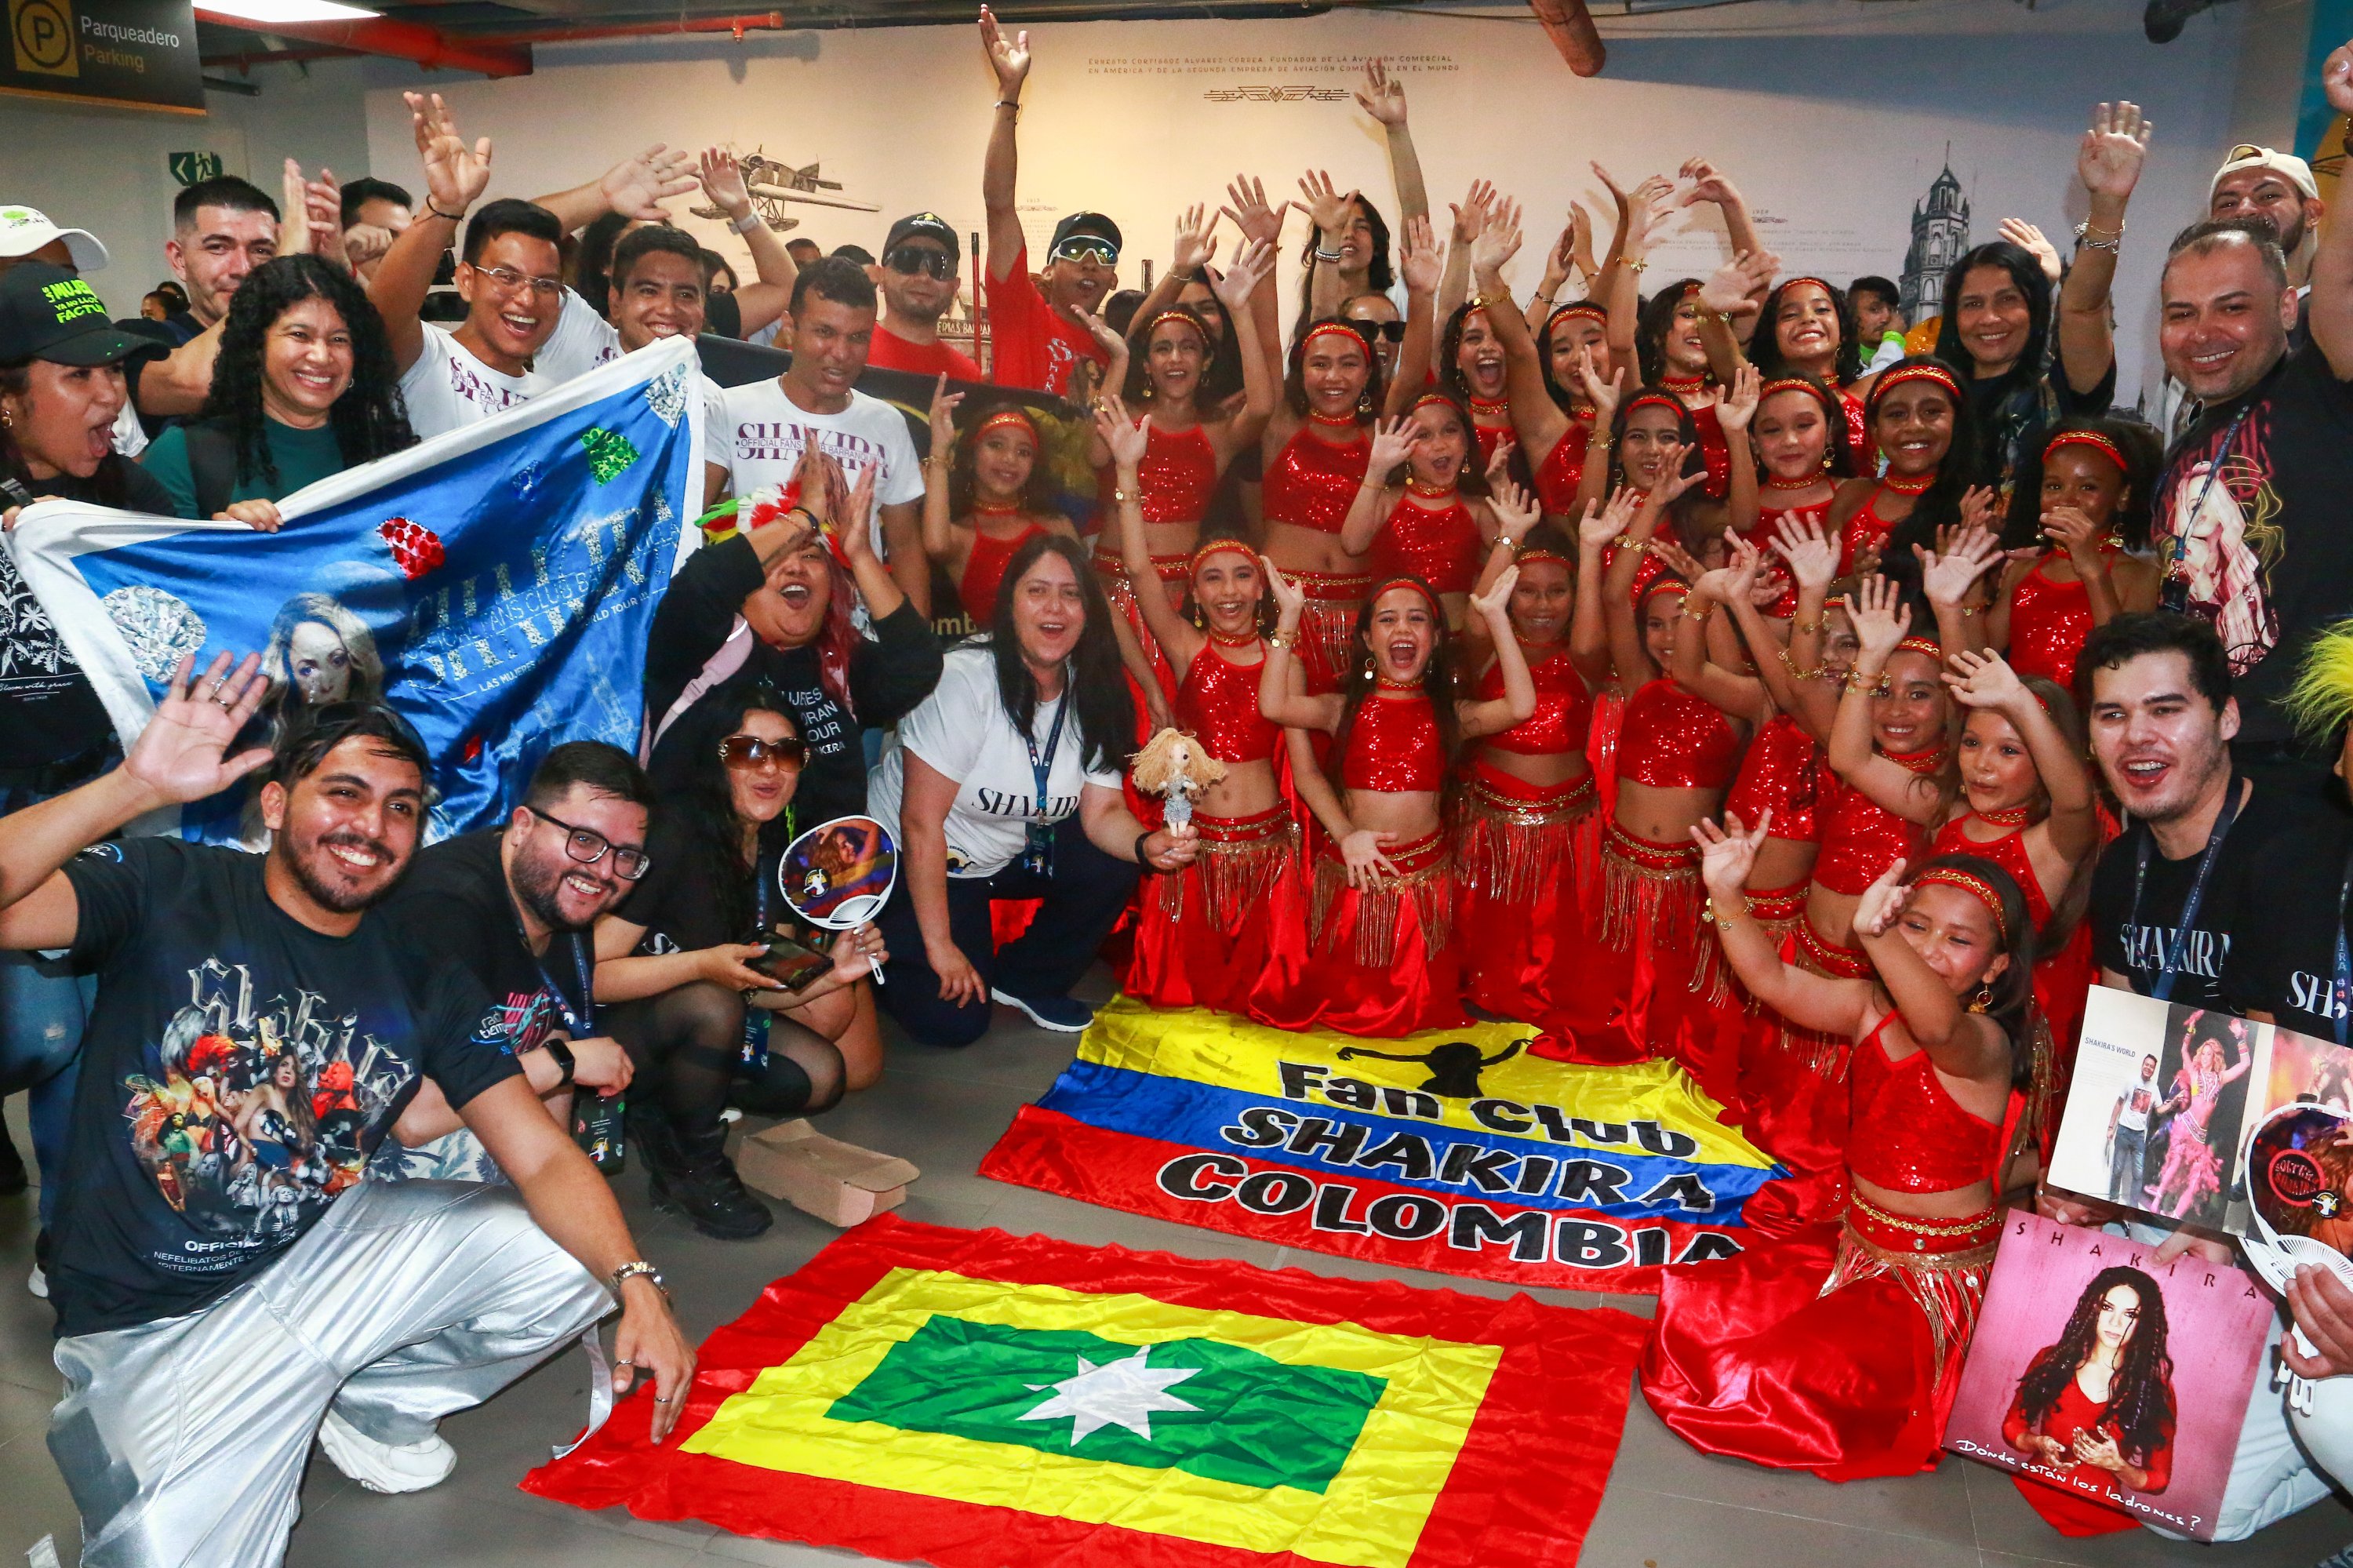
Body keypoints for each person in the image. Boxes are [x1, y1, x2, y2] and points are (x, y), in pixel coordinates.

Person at [0, 674, 691, 1560]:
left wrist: (638, 1279)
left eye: (402, 807)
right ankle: (213, 1450)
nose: (372, 826)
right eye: (346, 793)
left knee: (574, 1260)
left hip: (322, 1257)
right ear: (278, 802)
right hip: (153, 1322)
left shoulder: (415, 968)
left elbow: (544, 1156)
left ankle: (374, 1402)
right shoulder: (175, 886)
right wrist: (133, 787)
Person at [1644, 839, 2032, 1479]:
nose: (1930, 949)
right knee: (1698, 1313)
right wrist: (1726, 892)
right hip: (1854, 1247)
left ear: (1994, 969)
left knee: (1761, 1382)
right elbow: (1772, 980)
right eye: (1916, 925)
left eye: (1958, 940)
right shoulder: (1866, 1006)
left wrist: (1880, 938)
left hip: (1926, 1288)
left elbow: (1937, 1028)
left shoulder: (1983, 1042)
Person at [0, 260, 181, 1295]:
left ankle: (73, 1236)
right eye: (76, 375)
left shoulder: (120, 481)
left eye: (113, 369)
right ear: (8, 393)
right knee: (36, 1034)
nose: (108, 394)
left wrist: (236, 537)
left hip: (92, 791)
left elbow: (195, 575)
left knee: (85, 1016)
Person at [869, 534, 1197, 1041]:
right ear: (1010, 603)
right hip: (913, 860)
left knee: (1111, 862)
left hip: (1003, 851)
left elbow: (1102, 811)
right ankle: (868, 949)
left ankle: (1027, 978)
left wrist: (1145, 845)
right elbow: (919, 823)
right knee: (949, 1024)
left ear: (1089, 611)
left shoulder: (1092, 688)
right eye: (1037, 590)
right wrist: (940, 945)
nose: (1055, 607)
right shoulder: (962, 678)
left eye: (1071, 594)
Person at [593, 691, 885, 1237]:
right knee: (710, 1001)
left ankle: (665, 1114)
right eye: (748, 750)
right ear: (715, 758)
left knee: (820, 1075)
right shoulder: (672, 834)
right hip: (604, 1034)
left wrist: (831, 971)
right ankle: (692, 1162)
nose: (770, 767)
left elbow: (754, 980)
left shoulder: (768, 841)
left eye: (786, 752)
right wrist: (701, 965)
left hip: (697, 1016)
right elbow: (588, 974)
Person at [2151, 76, 2353, 796]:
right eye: (2182, 313)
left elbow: (2349, 283)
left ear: (2289, 310)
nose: (2203, 333)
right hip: (2202, 767)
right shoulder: (2182, 453)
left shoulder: (2323, 390)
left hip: (2313, 766)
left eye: (2232, 308)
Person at [1250, 567, 1533, 1039]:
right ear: (1367, 637)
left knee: (1417, 1018)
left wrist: (1497, 619)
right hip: (1354, 876)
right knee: (1343, 1007)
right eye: (1387, 620)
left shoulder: (1453, 714)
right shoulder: (1343, 708)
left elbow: (1521, 706)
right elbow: (1274, 705)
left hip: (1422, 884)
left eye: (1417, 619)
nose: (1402, 629)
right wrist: (1289, 620)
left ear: (1436, 638)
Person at [1100, 406, 1300, 1013]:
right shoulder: (1189, 648)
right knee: (1183, 995)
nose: (1230, 590)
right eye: (1213, 578)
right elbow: (1137, 569)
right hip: (1196, 843)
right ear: (1195, 591)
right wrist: (1128, 471)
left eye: (1243, 576)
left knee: (1261, 1001)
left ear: (1262, 586)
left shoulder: (1281, 654)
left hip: (1266, 848)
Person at [373, 743, 648, 1184]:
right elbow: (411, 1117)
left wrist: (561, 1172)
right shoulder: (442, 912)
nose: (604, 871)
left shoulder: (560, 895)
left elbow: (553, 1026)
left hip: (478, 1102)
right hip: (365, 1147)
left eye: (626, 855)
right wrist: (565, 1062)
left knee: (564, 1200)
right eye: (584, 840)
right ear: (522, 826)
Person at [646, 449, 941, 842]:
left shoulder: (839, 661)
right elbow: (702, 582)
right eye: (777, 558)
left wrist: (860, 554)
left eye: (811, 555)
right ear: (742, 580)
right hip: (698, 884)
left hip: (818, 891)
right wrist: (803, 516)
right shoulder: (700, 642)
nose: (796, 567)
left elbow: (918, 665)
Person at [371, 92, 694, 438]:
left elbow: (612, 479)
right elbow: (382, 315)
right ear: (466, 281)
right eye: (507, 277)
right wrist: (446, 207)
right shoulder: (428, 359)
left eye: (545, 285)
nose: (526, 299)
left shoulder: (557, 407)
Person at [2080, 613, 2310, 1010]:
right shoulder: (2120, 866)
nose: (2136, 735)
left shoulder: (2303, 860)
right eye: (2113, 715)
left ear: (2228, 719)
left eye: (2165, 710)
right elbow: (2119, 1033)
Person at [1933, 101, 2146, 493]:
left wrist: (2108, 206)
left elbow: (2085, 306)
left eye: (2008, 300)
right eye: (1973, 304)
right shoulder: (1934, 395)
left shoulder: (2060, 391)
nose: (1990, 318)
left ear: (2036, 309)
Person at [702, 258, 929, 607]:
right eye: (825, 332)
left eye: (857, 338)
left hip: (857, 640)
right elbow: (689, 522)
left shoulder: (887, 424)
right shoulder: (730, 409)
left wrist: (913, 650)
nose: (840, 353)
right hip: (753, 637)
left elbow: (906, 548)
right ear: (790, 327)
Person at [1453, 513, 1606, 1022]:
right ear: (1508, 595)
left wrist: (1588, 549)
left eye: (1557, 591)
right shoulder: (1485, 648)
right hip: (1492, 819)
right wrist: (1510, 536)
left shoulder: (1584, 658)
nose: (1543, 605)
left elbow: (1586, 636)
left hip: (1569, 825)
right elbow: (1476, 618)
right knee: (1489, 932)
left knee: (1557, 936)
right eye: (1528, 591)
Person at [140, 255, 414, 525]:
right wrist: (227, 546)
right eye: (299, 335)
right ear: (256, 346)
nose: (321, 356)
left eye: (339, 339)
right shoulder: (180, 456)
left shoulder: (389, 452)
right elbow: (156, 569)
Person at [977, 9, 1120, 398]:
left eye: (1105, 254)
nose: (1090, 261)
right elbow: (999, 203)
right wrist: (1009, 95)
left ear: (1114, 281)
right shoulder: (1018, 309)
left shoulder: (1116, 354)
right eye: (1074, 250)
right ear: (1048, 272)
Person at [1988, 421, 2163, 688]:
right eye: (2054, 487)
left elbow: (2123, 666)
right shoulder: (2022, 571)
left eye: (2088, 487)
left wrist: (2093, 572)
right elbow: (1979, 657)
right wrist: (1969, 587)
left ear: (2123, 497)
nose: (2067, 500)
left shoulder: (2141, 575)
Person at [2002, 1267, 2177, 1513]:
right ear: (2093, 1309)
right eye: (2107, 1308)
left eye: (2130, 1314)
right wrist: (2038, 1443)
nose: (2116, 1323)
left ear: (2144, 1322)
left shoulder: (2154, 1390)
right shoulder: (2055, 1361)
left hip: (2096, 1512)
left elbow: (2159, 1479)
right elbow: (2012, 1427)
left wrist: (2118, 1466)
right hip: (2028, 1496)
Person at [923, 391, 1078, 624]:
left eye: (1023, 452)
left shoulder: (1057, 525)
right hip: (996, 660)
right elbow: (936, 544)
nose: (1009, 459)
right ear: (971, 456)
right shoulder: (962, 536)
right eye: (996, 445)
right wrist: (939, 448)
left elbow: (1097, 605)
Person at [867, 213, 984, 380]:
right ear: (881, 275)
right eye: (909, 261)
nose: (924, 277)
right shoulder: (848, 356)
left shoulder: (967, 377)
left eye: (939, 265)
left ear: (955, 286)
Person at [2209, 144, 2321, 297]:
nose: (2244, 210)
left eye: (2268, 196)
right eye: (2227, 204)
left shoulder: (2339, 312)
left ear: (2311, 213)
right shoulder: (2198, 312)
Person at [2105, 1054, 2158, 1204]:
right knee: (2117, 1169)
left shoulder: (2154, 1089)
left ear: (2154, 1070)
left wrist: (2173, 1103)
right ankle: (2113, 1199)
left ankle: (2133, 1205)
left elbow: (2159, 1110)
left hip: (2139, 1136)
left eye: (2151, 1066)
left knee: (2138, 1174)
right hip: (2123, 1131)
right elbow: (2119, 1104)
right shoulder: (2131, 1081)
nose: (2148, 1068)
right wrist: (2111, 1127)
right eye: (2146, 1065)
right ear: (2143, 1065)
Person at [1848, 275, 1908, 371]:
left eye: (1892, 310)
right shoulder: (1839, 357)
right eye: (1875, 310)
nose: (1886, 318)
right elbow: (1880, 383)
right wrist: (1893, 338)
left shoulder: (1911, 352)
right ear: (1852, 315)